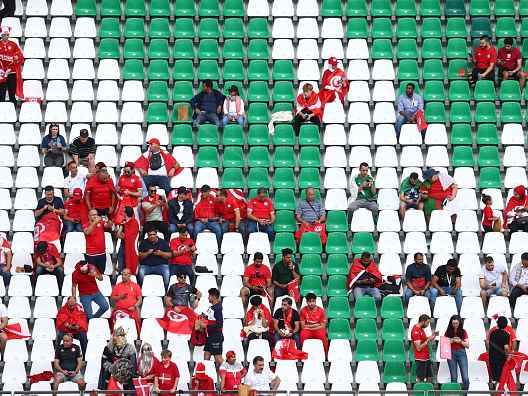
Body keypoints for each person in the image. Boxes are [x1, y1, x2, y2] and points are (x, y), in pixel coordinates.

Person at [98, 326, 137, 391]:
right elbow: (104, 362)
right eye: (117, 336)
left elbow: (133, 365)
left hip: (125, 374)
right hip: (111, 373)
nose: (119, 338)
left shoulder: (130, 348)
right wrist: (112, 368)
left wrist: (123, 370)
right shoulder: (108, 347)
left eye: (121, 336)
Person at [110, 268, 142, 333]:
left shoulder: (135, 286)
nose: (123, 276)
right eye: (122, 274)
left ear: (129, 275)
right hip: (120, 310)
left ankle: (135, 337)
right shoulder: (117, 286)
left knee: (135, 321)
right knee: (118, 318)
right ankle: (117, 338)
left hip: (132, 310)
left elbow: (140, 300)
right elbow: (112, 299)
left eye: (125, 274)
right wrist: (119, 297)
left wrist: (135, 307)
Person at [444, 315, 469, 390]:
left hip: (461, 353)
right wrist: (451, 341)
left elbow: (467, 345)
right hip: (451, 353)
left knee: (465, 376)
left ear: (459, 323)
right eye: (453, 323)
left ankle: (465, 393)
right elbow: (444, 344)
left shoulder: (463, 331)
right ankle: (455, 393)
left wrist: (460, 341)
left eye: (456, 323)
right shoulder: (448, 332)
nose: (455, 325)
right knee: (454, 377)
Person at [83, 209, 112, 274]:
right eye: (93, 215)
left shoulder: (101, 222)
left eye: (96, 214)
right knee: (91, 274)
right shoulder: (85, 225)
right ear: (89, 216)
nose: (95, 216)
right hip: (91, 255)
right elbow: (87, 232)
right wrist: (95, 222)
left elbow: (109, 226)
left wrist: (108, 221)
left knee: (101, 273)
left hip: (102, 253)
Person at [0, 25, 23, 102]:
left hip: (11, 72)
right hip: (1, 74)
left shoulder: (13, 44)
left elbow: (20, 55)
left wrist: (16, 57)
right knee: (1, 95)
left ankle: (13, 109)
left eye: (7, 35)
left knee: (12, 94)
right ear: (1, 35)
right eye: (4, 35)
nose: (6, 36)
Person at [411, 314, 437, 383]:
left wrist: (431, 337)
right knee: (421, 379)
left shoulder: (421, 329)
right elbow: (418, 348)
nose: (428, 325)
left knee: (430, 377)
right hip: (420, 359)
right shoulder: (415, 331)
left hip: (426, 357)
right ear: (423, 321)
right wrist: (428, 340)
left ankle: (428, 392)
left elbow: (424, 340)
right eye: (427, 323)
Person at [116, 206, 140, 274]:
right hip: (122, 246)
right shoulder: (123, 222)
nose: (122, 213)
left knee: (130, 263)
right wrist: (122, 226)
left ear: (125, 213)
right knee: (121, 264)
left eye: (123, 211)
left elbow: (130, 236)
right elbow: (118, 235)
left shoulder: (134, 222)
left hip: (131, 247)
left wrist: (125, 236)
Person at [203, 288, 224, 365]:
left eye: (209, 296)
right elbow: (205, 316)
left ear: (214, 297)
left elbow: (219, 324)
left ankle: (230, 373)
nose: (208, 298)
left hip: (216, 336)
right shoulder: (211, 307)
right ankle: (205, 374)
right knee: (206, 355)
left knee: (218, 358)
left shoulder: (218, 308)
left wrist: (206, 325)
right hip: (210, 336)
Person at [488, 316, 511, 384]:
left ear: (497, 324)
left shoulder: (492, 332)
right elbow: (506, 348)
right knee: (500, 378)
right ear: (505, 325)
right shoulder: (506, 334)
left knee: (494, 377)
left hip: (492, 357)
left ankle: (494, 391)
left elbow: (490, 344)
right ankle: (499, 392)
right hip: (501, 359)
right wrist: (508, 356)